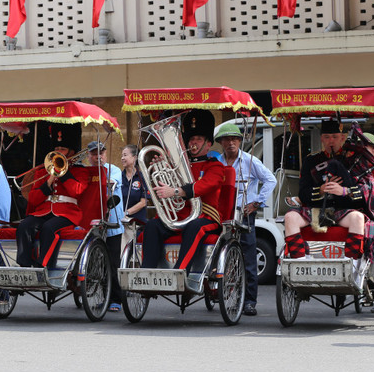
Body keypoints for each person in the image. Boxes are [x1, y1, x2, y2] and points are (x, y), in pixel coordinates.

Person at [283, 119, 374, 267]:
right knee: (290, 217)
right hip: (318, 210)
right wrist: (321, 190)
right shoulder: (311, 161)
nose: (331, 141)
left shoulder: (354, 160)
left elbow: (365, 191)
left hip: (344, 210)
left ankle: (353, 267)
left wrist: (343, 191)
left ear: (342, 138)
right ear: (321, 139)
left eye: (335, 137)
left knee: (357, 218)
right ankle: (301, 264)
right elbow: (303, 193)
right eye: (327, 137)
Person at [140, 109, 226, 273]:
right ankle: (147, 274)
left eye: (199, 139)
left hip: (205, 217)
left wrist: (176, 191)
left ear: (208, 144)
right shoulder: (175, 166)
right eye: (191, 138)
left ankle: (180, 272)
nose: (194, 142)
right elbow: (161, 191)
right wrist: (161, 170)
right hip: (179, 216)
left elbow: (207, 185)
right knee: (152, 226)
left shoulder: (214, 166)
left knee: (195, 227)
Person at [215, 123, 277, 316]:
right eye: (226, 140)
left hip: (243, 214)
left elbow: (271, 180)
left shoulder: (249, 160)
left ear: (240, 141)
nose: (230, 143)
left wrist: (256, 202)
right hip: (221, 214)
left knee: (248, 259)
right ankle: (221, 294)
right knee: (217, 256)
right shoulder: (217, 161)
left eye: (234, 139)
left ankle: (250, 301)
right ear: (221, 143)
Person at [16, 128, 87, 268]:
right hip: (43, 211)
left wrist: (63, 173)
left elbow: (76, 192)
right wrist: (48, 181)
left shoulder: (80, 171)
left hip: (67, 214)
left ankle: (42, 265)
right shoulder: (42, 172)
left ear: (72, 152)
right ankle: (24, 265)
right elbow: (34, 199)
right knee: (24, 226)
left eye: (63, 149)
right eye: (57, 148)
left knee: (49, 228)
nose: (59, 152)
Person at [87, 141, 125, 312]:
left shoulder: (114, 170)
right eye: (94, 153)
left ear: (105, 154)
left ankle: (116, 298)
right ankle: (102, 295)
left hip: (112, 223)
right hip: (92, 222)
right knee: (96, 263)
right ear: (89, 156)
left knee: (112, 262)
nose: (98, 156)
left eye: (101, 153)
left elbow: (111, 183)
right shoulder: (85, 171)